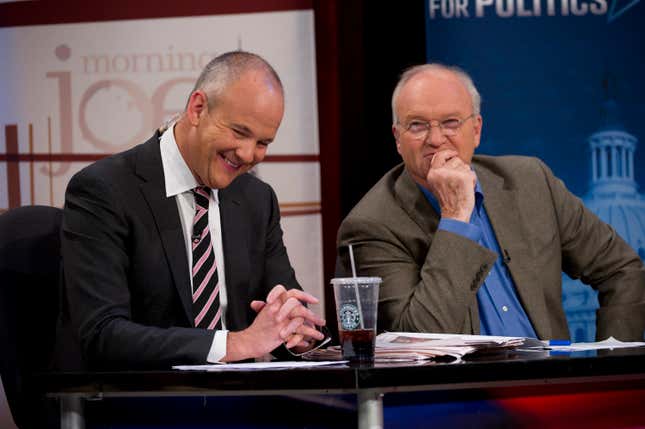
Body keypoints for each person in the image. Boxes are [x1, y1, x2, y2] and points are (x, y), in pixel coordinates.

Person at [56, 51, 325, 370]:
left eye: (263, 142)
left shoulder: (257, 200)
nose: (248, 154)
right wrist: (234, 344)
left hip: (243, 402)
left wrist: (299, 333)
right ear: (198, 108)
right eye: (239, 132)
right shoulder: (105, 190)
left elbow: (281, 314)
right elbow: (103, 334)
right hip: (145, 403)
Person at [337, 63, 645, 341]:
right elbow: (419, 341)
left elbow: (622, 270)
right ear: (397, 139)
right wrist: (456, 217)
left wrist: (610, 364)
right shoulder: (371, 226)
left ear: (477, 130)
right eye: (417, 124)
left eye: (451, 122)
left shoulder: (532, 182)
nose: (435, 138)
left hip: (552, 387)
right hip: (461, 397)